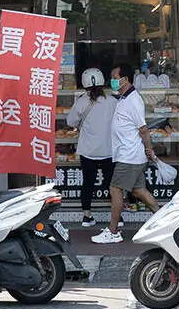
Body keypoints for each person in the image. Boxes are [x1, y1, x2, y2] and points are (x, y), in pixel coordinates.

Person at [92, 62, 160, 244]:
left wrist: (149, 149)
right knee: (139, 190)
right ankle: (163, 221)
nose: (112, 81)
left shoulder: (133, 100)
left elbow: (143, 128)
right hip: (129, 154)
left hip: (130, 156)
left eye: (115, 78)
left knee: (115, 190)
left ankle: (113, 231)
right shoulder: (123, 98)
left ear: (125, 79)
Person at [67, 67, 117, 227]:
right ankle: (117, 217)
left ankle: (87, 216)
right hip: (108, 149)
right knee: (112, 184)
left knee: (88, 183)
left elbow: (70, 122)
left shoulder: (81, 101)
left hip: (88, 150)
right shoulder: (112, 101)